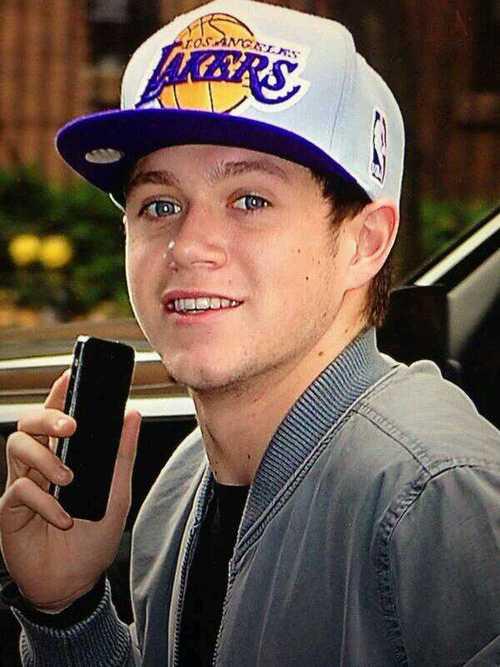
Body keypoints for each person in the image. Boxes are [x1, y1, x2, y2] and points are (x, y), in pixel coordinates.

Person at [1, 0, 499, 665]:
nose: (188, 245)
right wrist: (67, 608)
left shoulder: (435, 497)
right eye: (160, 204)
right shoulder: (180, 488)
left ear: (365, 242)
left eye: (250, 200)